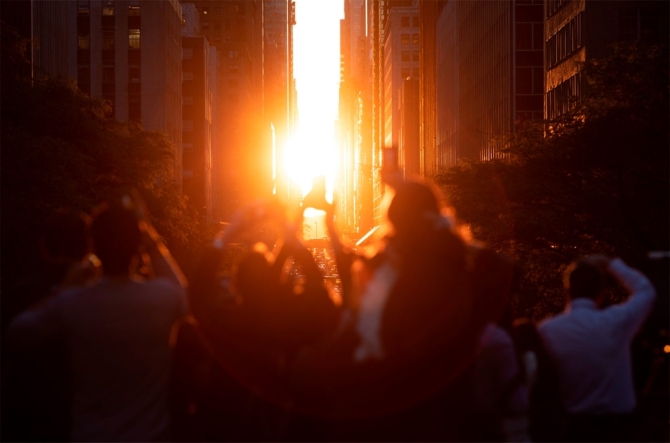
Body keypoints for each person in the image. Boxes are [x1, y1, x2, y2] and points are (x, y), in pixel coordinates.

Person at [8, 196, 187, 442]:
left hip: (91, 435)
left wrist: (64, 289)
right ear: (137, 246)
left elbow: (16, 334)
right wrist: (149, 238)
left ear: (92, 245)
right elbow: (185, 295)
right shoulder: (161, 297)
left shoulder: (74, 302)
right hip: (151, 435)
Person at [538, 255, 656, 442]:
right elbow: (645, 290)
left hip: (575, 429)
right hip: (621, 430)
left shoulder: (548, 330)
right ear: (601, 293)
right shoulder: (616, 321)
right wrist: (611, 264)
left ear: (568, 290)